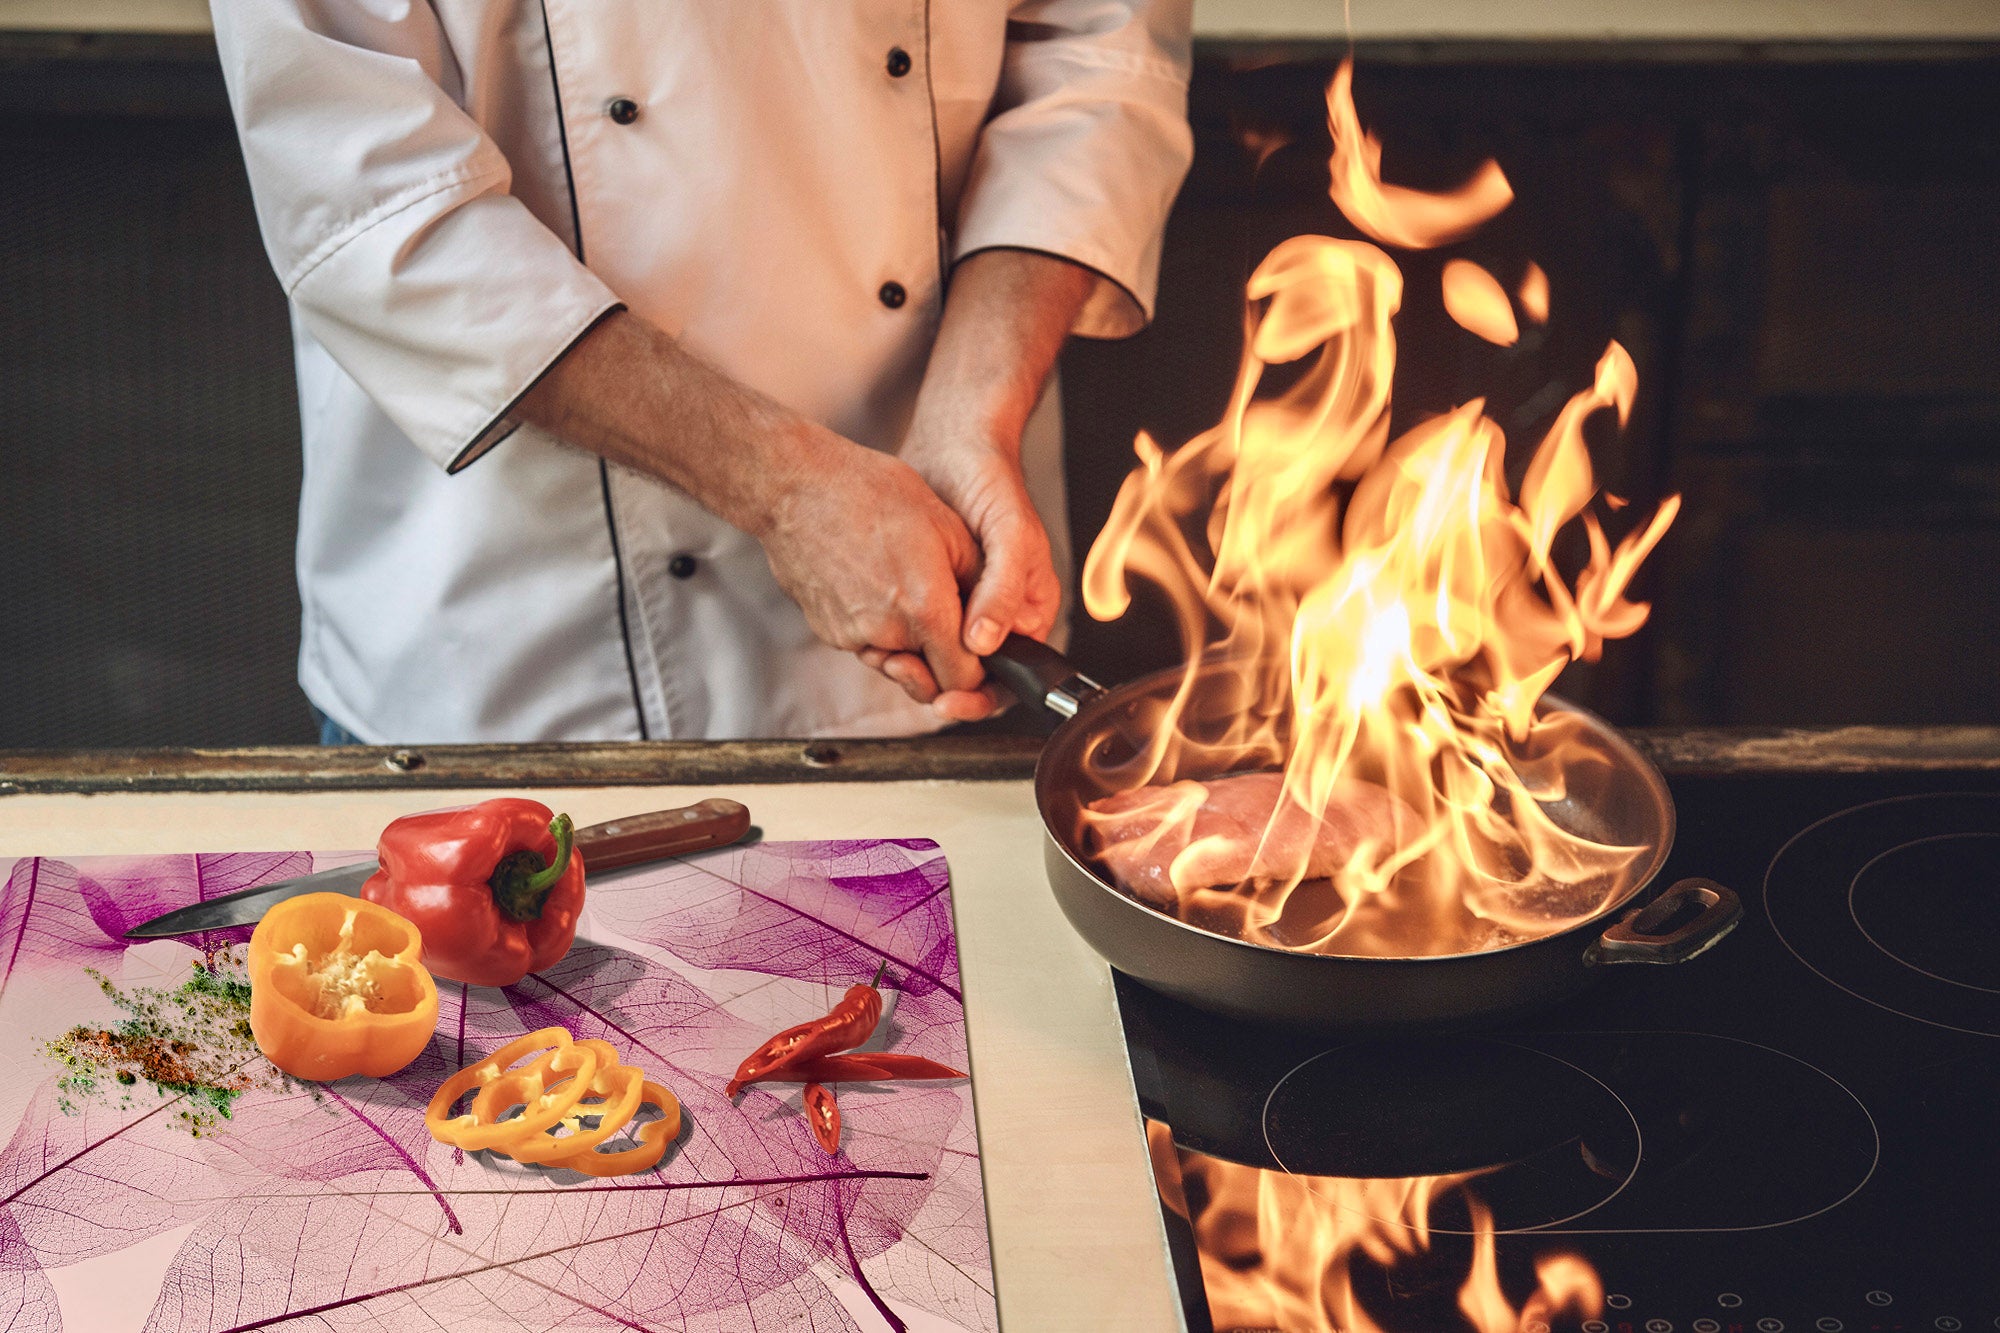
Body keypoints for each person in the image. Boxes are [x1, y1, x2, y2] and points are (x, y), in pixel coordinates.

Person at [210, 1, 1193, 742]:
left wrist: (973, 416)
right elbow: (372, 197)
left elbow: (1097, 60)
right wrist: (784, 489)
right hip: (523, 646)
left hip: (949, 575)